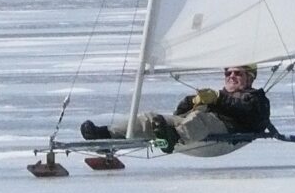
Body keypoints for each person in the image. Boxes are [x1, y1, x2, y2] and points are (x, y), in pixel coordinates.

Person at [80, 64, 270, 153]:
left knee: (200, 118)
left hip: (226, 132)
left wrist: (218, 99)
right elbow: (179, 114)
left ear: (250, 78)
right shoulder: (216, 96)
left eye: (238, 73)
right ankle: (107, 136)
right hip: (192, 130)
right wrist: (192, 100)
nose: (232, 76)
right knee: (148, 118)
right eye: (228, 73)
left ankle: (172, 137)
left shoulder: (256, 98)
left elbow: (252, 116)